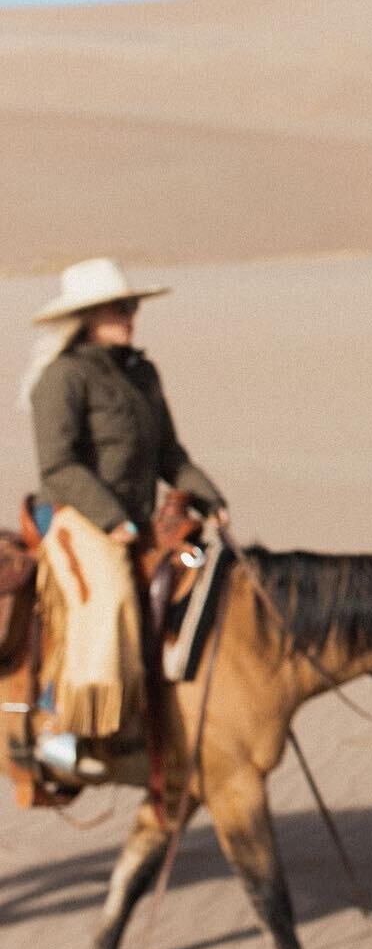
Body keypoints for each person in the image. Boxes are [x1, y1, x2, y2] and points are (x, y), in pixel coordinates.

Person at [19, 258, 226, 777]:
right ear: (89, 316)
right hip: (76, 516)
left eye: (131, 305)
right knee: (108, 597)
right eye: (119, 307)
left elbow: (170, 455)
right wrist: (112, 520)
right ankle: (61, 726)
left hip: (134, 518)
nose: (130, 315)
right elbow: (59, 465)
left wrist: (210, 498)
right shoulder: (62, 377)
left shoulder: (142, 374)